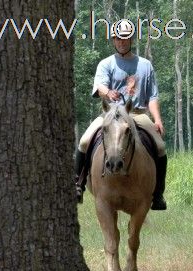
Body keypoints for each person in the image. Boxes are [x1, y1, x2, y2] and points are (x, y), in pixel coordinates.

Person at [75, 20, 167, 210]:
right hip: (111, 114)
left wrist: (157, 118)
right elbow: (100, 86)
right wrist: (107, 92)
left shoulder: (145, 65)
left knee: (160, 146)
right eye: (118, 38)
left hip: (137, 113)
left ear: (130, 39)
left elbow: (153, 96)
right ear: (113, 40)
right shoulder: (106, 63)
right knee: (84, 141)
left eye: (125, 38)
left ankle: (158, 194)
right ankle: (77, 185)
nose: (121, 42)